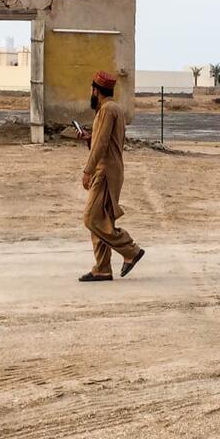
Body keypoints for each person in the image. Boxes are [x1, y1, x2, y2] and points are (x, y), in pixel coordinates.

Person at [77, 70, 146, 282]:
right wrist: (89, 137)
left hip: (105, 171)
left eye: (92, 90)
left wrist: (87, 171)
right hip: (111, 169)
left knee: (91, 218)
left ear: (95, 91)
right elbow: (102, 140)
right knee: (101, 218)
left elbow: (102, 144)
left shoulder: (107, 110)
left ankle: (130, 250)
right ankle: (103, 267)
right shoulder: (110, 109)